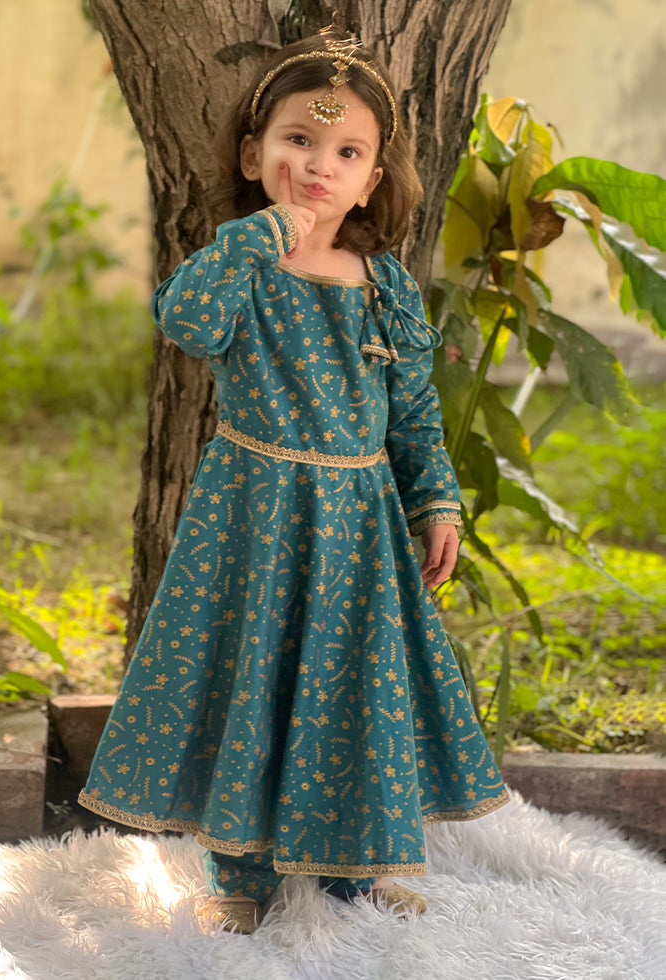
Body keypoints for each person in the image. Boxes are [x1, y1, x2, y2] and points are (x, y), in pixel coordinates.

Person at [79, 28, 509, 935]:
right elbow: (187, 322)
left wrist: (436, 503)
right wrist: (259, 236)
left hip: (358, 523)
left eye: (347, 152)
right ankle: (236, 870)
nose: (319, 165)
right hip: (255, 514)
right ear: (253, 155)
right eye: (299, 141)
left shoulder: (385, 286)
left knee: (354, 682)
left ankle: (355, 863)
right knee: (253, 673)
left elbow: (414, 414)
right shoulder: (242, 268)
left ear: (373, 179)